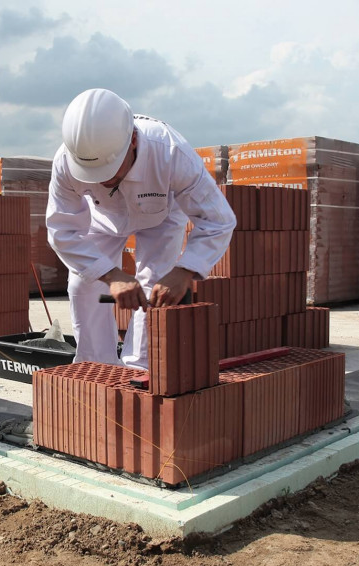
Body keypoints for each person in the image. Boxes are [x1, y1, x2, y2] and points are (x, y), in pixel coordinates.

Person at [46, 88, 237, 369]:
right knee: (82, 284)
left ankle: (140, 369)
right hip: (104, 219)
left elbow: (218, 219)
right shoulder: (66, 161)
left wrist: (184, 271)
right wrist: (111, 275)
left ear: (133, 140)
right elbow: (62, 230)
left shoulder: (170, 152)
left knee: (155, 286)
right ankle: (97, 367)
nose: (105, 180)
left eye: (111, 168)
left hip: (161, 216)